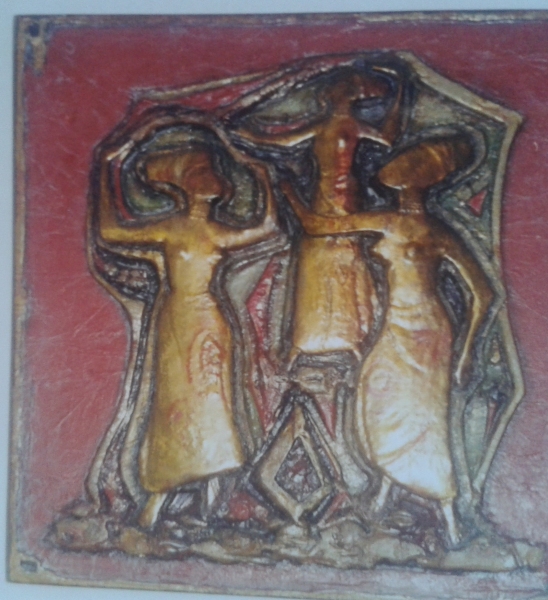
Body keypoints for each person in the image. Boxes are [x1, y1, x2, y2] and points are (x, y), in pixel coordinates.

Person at [281, 137, 492, 546]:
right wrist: (289, 191)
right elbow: (320, 226)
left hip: (427, 330)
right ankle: (386, 488)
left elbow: (483, 293)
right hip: (394, 324)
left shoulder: (434, 231)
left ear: (426, 180)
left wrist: (467, 351)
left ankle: (448, 515)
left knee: (427, 417)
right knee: (376, 395)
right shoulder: (386, 220)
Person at [96, 117, 278, 528]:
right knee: (175, 407)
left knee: (215, 404)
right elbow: (109, 231)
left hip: (211, 321)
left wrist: (262, 175)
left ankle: (211, 505)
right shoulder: (170, 229)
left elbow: (268, 227)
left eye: (212, 172)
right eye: (201, 173)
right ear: (181, 185)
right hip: (177, 322)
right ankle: (157, 501)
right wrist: (107, 167)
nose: (213, 181)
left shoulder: (217, 231)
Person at [236, 66, 403, 364]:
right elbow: (387, 137)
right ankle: (333, 334)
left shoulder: (336, 125)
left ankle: (339, 333)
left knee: (333, 255)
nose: (327, 97)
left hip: (333, 198)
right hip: (337, 195)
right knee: (333, 257)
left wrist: (249, 134)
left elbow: (283, 141)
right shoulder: (346, 125)